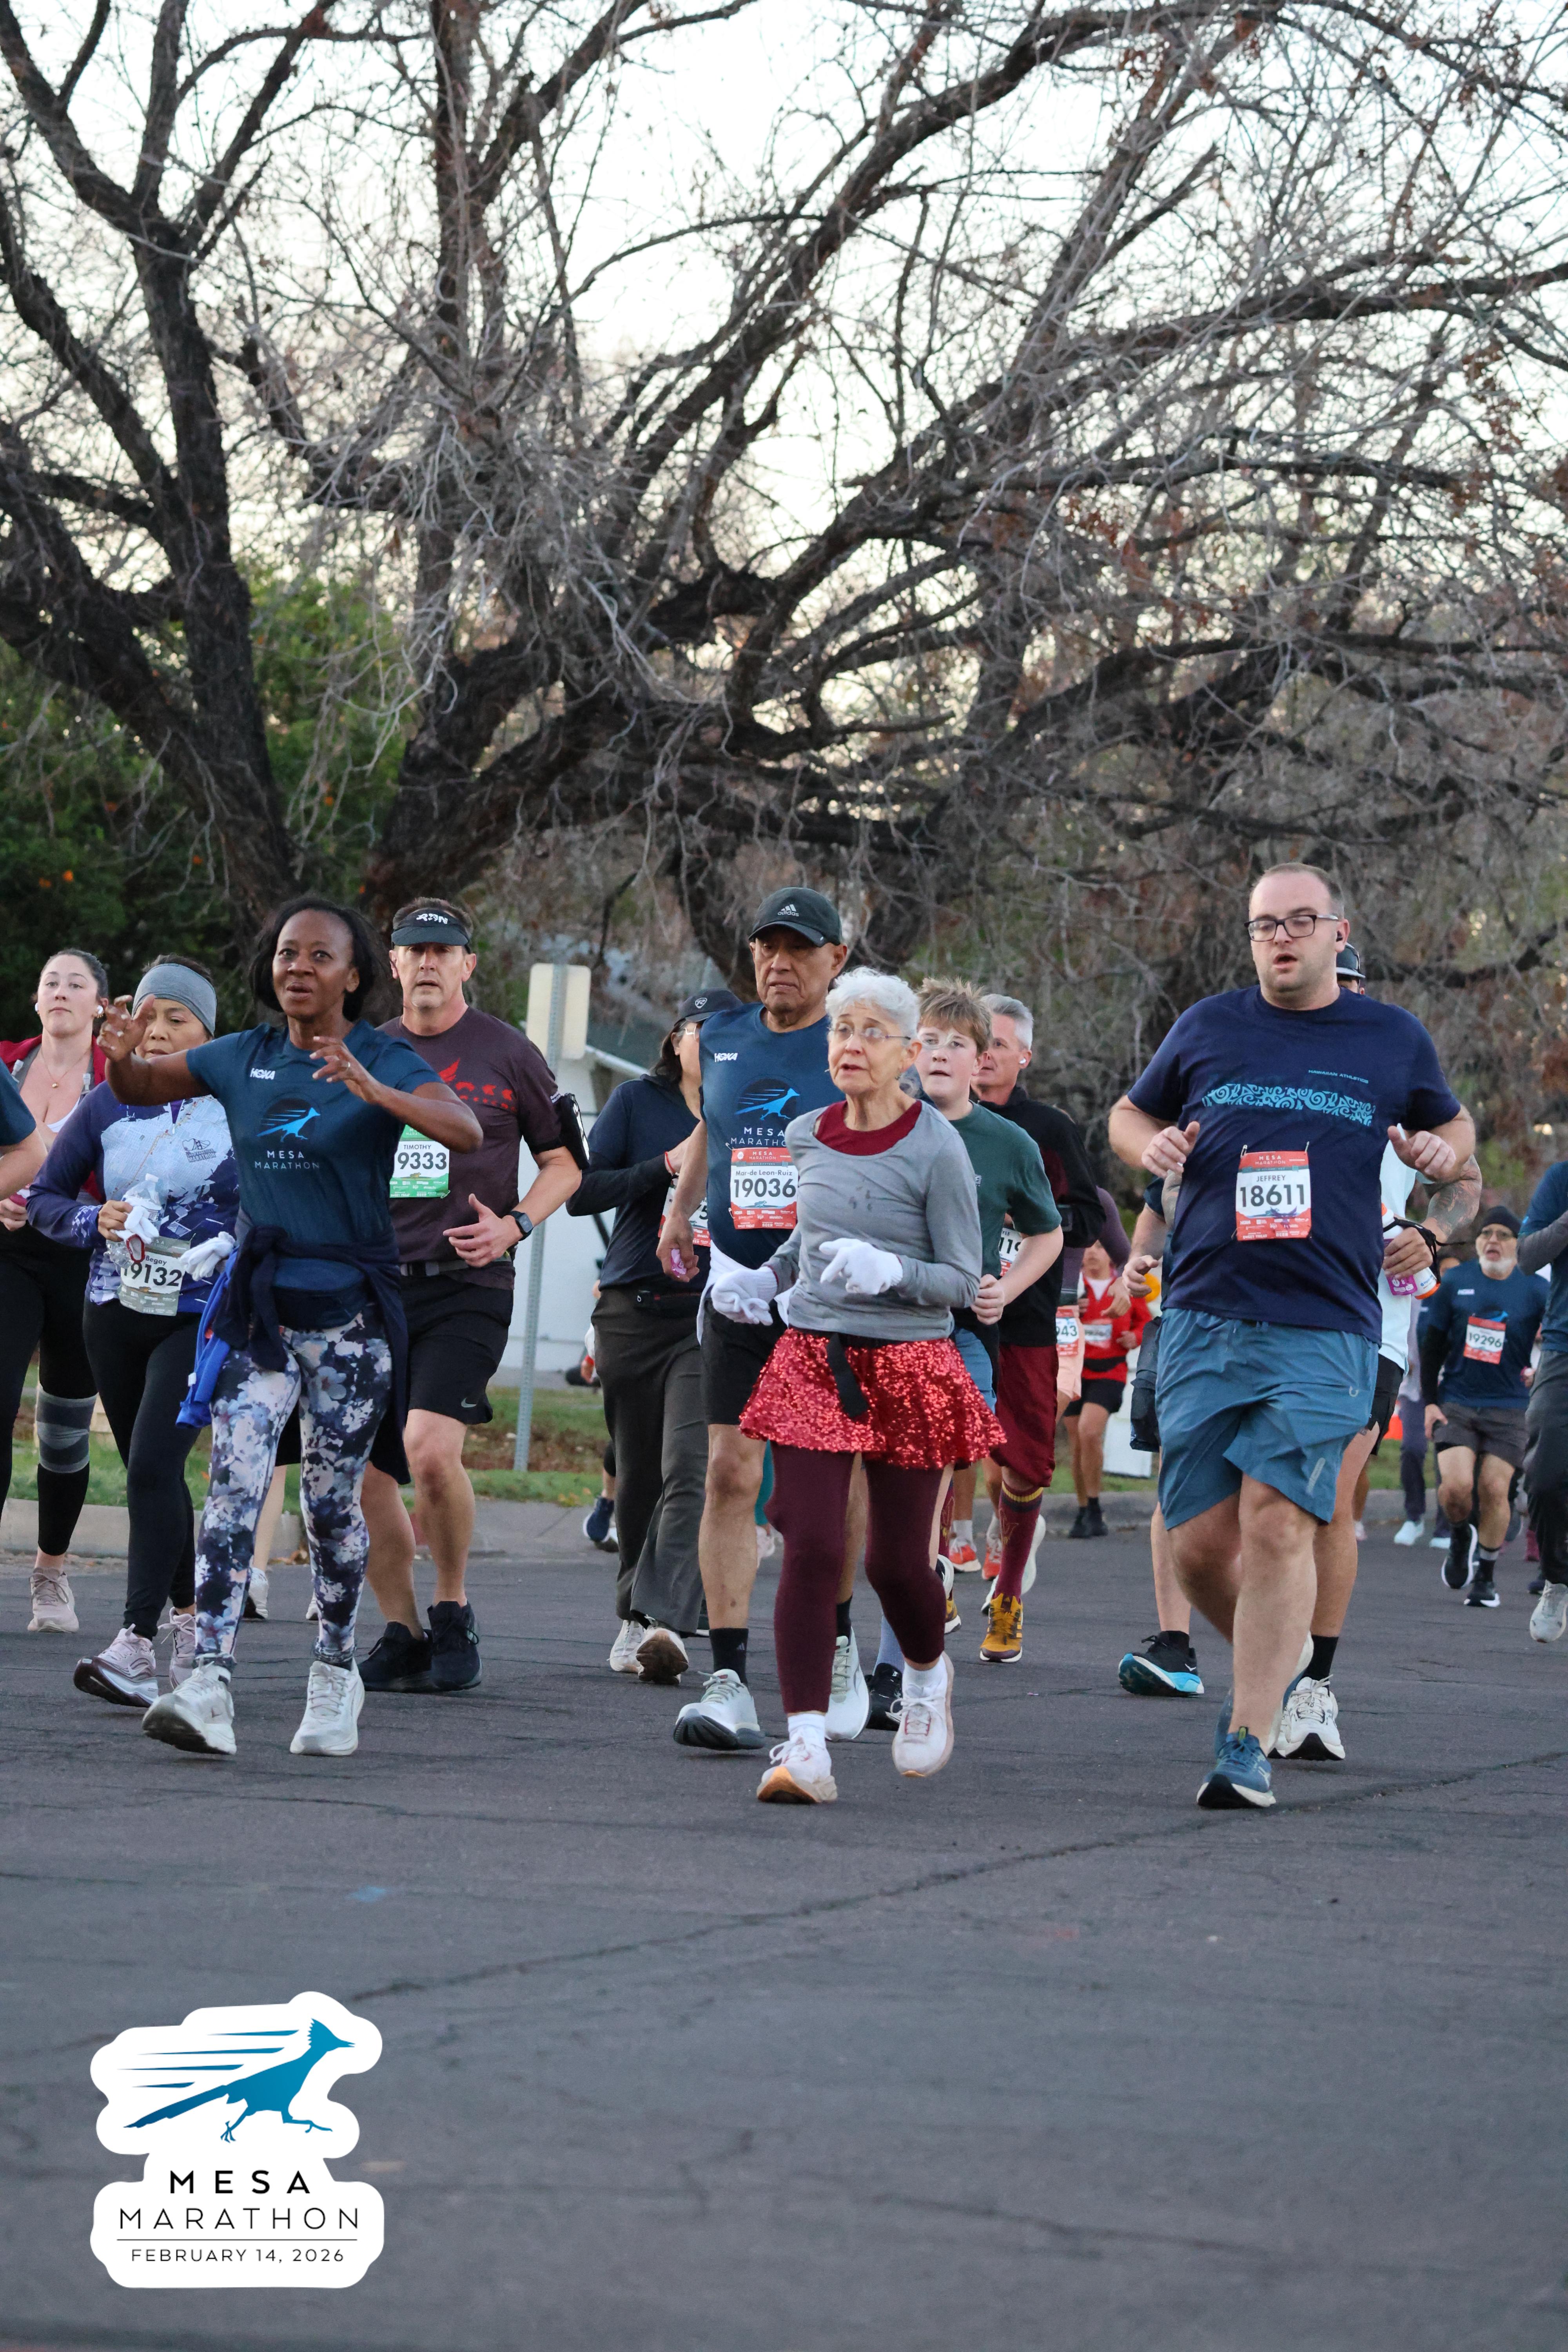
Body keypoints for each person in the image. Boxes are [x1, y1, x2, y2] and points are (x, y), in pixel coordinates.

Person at [1108, 861, 1475, 1809]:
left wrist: (1438, 1195)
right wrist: (1147, 1145)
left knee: (1279, 1521)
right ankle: (1278, 1668)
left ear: (1335, 933)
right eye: (1264, 925)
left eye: (1299, 921)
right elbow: (1128, 1114)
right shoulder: (1207, 1026)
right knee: (1197, 1547)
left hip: (1327, 1322)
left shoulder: (1390, 1038)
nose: (1280, 937)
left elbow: (1458, 1150)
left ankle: (1245, 1738)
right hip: (1203, 1314)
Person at [99, 895, 482, 1761]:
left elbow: (463, 1129)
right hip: (262, 1314)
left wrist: (378, 1092)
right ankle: (209, 1681)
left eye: (318, 956)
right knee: (233, 1486)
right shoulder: (244, 1056)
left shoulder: (380, 1054)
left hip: (351, 1320)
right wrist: (120, 1061)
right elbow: (143, 1086)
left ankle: (335, 1669)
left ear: (353, 975)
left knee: (329, 1504)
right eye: (285, 953)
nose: (298, 967)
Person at [712, 971, 1000, 1803]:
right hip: (815, 1356)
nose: (851, 1044)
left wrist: (892, 1272)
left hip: (909, 1364)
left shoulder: (936, 1146)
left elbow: (961, 1279)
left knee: (894, 1564)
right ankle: (805, 1744)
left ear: (908, 1053)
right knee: (810, 1543)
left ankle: (925, 1674)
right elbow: (807, 1236)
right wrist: (766, 1281)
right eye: (842, 1029)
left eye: (872, 1032)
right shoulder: (806, 1132)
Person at [357, 898, 581, 1695]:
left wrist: (514, 1226)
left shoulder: (507, 1053)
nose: (427, 962)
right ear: (392, 964)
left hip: (468, 1285)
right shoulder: (368, 1053)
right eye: (413, 949)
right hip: (376, 1286)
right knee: (365, 1475)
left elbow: (565, 1165)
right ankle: (401, 1630)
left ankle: (452, 1607)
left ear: (467, 965)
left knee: (428, 1449)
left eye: (442, 950)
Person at [1271, 948, 1482, 1766]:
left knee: (1326, 1496)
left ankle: (1312, 1684)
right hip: (1266, 1311)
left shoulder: (1396, 1080)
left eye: (1348, 987)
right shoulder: (1261, 1074)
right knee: (1244, 1513)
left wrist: (1431, 1232)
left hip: (1369, 1324)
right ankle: (1266, 1655)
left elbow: (1465, 1179)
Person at [657, 889, 851, 1752]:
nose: (779, 963)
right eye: (767, 947)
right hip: (738, 1286)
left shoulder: (854, 1041)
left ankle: (839, 1646)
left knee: (820, 1494)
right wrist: (679, 1211)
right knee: (730, 1474)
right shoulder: (720, 1037)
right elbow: (714, 1126)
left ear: (835, 960)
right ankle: (729, 1678)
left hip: (826, 1296)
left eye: (799, 949)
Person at [26, 958, 239, 1706]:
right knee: (154, 1475)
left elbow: (278, 1194)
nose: (157, 1032)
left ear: (207, 1035)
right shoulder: (106, 1105)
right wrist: (94, 1219)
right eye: (147, 1016)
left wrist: (238, 1243)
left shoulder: (234, 1103)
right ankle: (188, 1622)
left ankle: (135, 1644)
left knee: (151, 1461)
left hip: (197, 1315)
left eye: (178, 1019)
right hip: (113, 1313)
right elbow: (46, 1198)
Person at [878, 980, 1062, 1690]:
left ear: (980, 1059)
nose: (940, 1054)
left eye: (957, 1043)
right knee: (871, 1499)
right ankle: (875, 1640)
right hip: (877, 1327)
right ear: (909, 1050)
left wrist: (1005, 1289)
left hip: (959, 1332)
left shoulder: (1008, 1143)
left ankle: (907, 1654)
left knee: (933, 1479)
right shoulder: (878, 1119)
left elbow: (1047, 1233)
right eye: (928, 1040)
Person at [569, 986, 742, 1682]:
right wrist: (665, 1168)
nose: (711, 1040)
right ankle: (633, 1615)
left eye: (726, 1030)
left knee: (691, 1468)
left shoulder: (752, 1112)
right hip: (632, 1311)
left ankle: (662, 1619)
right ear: (676, 1041)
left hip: (709, 1315)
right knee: (637, 1473)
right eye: (699, 1028)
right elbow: (583, 1191)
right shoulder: (637, 1103)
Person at [970, 994, 1102, 1612]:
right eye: (978, 1042)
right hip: (947, 1316)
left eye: (998, 1044)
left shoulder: (1048, 1129)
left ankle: (1009, 1582)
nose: (985, 1054)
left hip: (1024, 1319)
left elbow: (1087, 1220)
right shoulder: (933, 1121)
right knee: (943, 1451)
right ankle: (939, 1574)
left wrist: (1023, 1214)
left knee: (1019, 1463)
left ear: (1024, 1056)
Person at [0, 947, 110, 1630]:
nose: (61, 991)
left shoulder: (119, 1076)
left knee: (64, 1430)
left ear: (100, 1004)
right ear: (36, 1000)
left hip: (81, 1257)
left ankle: (51, 1571)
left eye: (76, 983)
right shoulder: (6, 1064)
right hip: (8, 1253)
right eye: (51, 982)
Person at [1421, 1208, 1542, 1610]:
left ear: (1518, 1244)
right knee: (1456, 1489)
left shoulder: (1535, 1288)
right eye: (1486, 1233)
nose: (1493, 1240)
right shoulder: (1456, 1281)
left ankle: (1486, 1577)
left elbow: (1557, 1337)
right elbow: (1432, 1347)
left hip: (1510, 1407)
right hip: (1457, 1401)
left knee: (1494, 1488)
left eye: (1503, 1235)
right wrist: (1430, 1403)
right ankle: (1460, 1537)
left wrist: (1540, 1370)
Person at [1116, 1173, 1205, 1698]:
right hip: (1188, 1329)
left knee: (1267, 1506)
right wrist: (1139, 1258)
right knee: (1175, 1489)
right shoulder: (1194, 1139)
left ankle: (1293, 1663)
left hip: (1282, 1332)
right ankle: (1175, 1647)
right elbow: (1156, 1204)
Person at [1063, 1237, 1149, 1540]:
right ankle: (1084, 1510)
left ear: (1113, 1255)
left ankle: (1096, 1505)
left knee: (1089, 1431)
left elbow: (1146, 1322)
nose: (1092, 1252)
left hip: (1110, 1371)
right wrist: (1069, 1308)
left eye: (1100, 1247)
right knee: (1077, 1442)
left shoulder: (1123, 1286)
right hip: (1073, 1371)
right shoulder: (1071, 1285)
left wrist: (1136, 1337)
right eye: (1087, 1246)